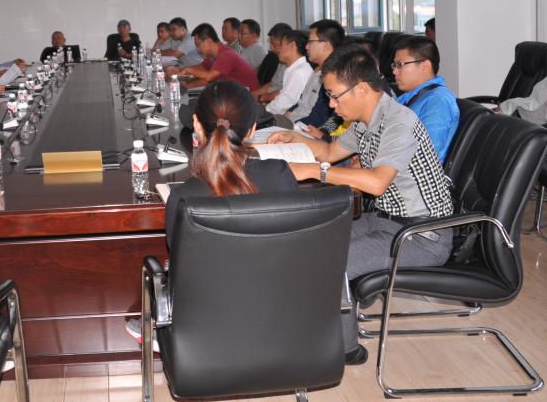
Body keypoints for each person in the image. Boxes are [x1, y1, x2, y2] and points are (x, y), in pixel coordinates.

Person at [268, 45, 454, 364]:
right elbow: (330, 152)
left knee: (330, 261)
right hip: (385, 221)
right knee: (311, 241)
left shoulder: (398, 122)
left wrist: (313, 171)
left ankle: (346, 349)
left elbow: (377, 182)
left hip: (421, 236)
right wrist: (296, 139)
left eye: (334, 96)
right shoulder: (366, 119)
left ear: (362, 88)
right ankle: (302, 325)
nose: (331, 104)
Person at [125, 80, 297, 346]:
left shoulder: (183, 198)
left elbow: (184, 267)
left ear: (196, 125)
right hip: (280, 316)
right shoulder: (281, 175)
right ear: (252, 129)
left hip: (207, 330)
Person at [392, 35, 459, 162]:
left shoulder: (438, 102)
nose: (395, 71)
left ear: (425, 66)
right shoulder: (406, 98)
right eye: (394, 65)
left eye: (400, 64)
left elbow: (424, 156)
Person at [290, 19, 345, 134]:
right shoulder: (316, 70)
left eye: (310, 41)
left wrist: (290, 127)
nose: (306, 47)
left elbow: (320, 117)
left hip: (305, 130)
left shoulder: (335, 76)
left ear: (325, 45)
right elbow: (301, 102)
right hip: (295, 124)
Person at [179, 23, 259, 91]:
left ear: (208, 40)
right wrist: (179, 71)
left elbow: (208, 77)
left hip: (249, 96)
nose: (198, 49)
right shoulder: (213, 55)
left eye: (198, 44)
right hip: (233, 93)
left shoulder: (226, 54)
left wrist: (188, 70)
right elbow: (201, 68)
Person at [263, 29, 312, 122]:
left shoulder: (298, 72)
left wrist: (264, 110)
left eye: (281, 44)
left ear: (292, 45)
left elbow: (284, 103)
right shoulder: (295, 69)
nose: (278, 49)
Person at [254, 23, 292, 100]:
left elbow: (284, 93)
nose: (271, 48)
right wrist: (252, 94)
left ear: (287, 43)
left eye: (274, 45)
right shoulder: (282, 61)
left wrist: (260, 98)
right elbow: (272, 84)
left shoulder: (298, 68)